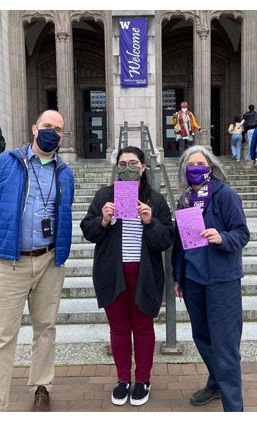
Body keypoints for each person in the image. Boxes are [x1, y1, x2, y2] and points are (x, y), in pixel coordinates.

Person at [0, 110, 74, 412]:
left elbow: (65, 210)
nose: (53, 133)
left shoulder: (65, 172)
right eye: (48, 126)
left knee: (45, 328)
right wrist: (3, 235)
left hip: (48, 260)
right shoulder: (6, 163)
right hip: (11, 262)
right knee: (2, 336)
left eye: (58, 130)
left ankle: (42, 386)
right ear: (34, 129)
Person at [80, 146, 174, 407]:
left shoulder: (154, 200)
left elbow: (166, 239)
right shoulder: (104, 196)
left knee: (143, 328)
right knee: (119, 330)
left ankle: (142, 379)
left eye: (133, 163)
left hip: (145, 275)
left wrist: (149, 221)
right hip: (112, 274)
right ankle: (123, 380)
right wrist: (104, 219)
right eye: (122, 164)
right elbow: (87, 230)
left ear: (143, 167)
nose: (127, 168)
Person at [171, 145, 250, 412]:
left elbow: (242, 233)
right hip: (193, 279)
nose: (195, 168)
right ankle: (216, 383)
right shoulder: (184, 200)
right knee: (202, 336)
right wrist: (177, 276)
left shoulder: (225, 195)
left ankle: (233, 408)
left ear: (210, 166)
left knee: (225, 345)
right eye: (190, 164)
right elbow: (180, 243)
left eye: (200, 164)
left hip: (222, 280)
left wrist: (222, 237)